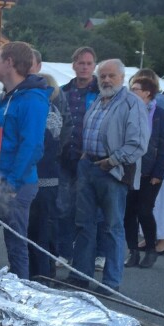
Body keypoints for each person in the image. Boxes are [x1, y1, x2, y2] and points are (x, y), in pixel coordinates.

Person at [66, 59, 149, 293]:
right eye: (102, 76)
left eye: (111, 76)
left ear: (122, 78)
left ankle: (111, 282)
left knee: (112, 227)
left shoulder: (132, 103)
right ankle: (81, 275)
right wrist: (85, 157)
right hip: (89, 166)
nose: (106, 80)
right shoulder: (98, 101)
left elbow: (138, 144)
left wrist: (112, 161)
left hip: (112, 170)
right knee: (84, 225)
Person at [0, 42, 48, 279]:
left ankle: (22, 290)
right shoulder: (7, 98)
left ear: (9, 62)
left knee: (15, 242)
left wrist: (12, 183)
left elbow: (32, 146)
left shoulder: (32, 101)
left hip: (14, 184)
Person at [124, 76, 164, 269]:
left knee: (144, 211)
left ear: (147, 93)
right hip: (130, 170)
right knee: (129, 213)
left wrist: (158, 173)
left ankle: (151, 249)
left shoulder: (160, 114)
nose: (131, 92)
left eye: (135, 89)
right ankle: (133, 251)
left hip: (149, 171)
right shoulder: (128, 110)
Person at [56, 46, 99, 263]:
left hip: (90, 159)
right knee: (64, 207)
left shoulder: (101, 93)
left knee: (92, 210)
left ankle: (97, 254)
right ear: (73, 65)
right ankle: (65, 252)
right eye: (81, 63)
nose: (84, 67)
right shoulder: (63, 92)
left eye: (89, 63)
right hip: (66, 157)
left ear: (94, 66)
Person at [26, 72, 64, 279]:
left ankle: (42, 273)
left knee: (40, 228)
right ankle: (43, 270)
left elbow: (41, 147)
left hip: (43, 177)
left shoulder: (47, 113)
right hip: (47, 176)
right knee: (41, 227)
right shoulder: (52, 110)